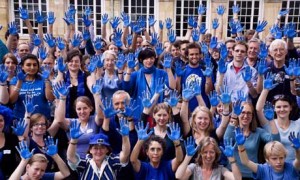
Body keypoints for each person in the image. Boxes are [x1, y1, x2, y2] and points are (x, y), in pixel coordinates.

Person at [123, 47, 176, 119]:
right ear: (141, 60)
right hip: (140, 113)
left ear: (155, 58)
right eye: (146, 59)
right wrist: (129, 70)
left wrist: (169, 70)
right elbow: (126, 89)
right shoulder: (135, 75)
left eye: (151, 58)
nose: (149, 61)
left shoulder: (161, 73)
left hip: (158, 114)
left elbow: (172, 87)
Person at [256, 79, 300, 163]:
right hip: (273, 169)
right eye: (278, 107)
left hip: (294, 168)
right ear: (274, 109)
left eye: (285, 106)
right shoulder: (269, 123)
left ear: (290, 108)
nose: (282, 109)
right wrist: (265, 89)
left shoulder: (298, 124)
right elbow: (258, 109)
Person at [9, 53, 54, 119]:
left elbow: (50, 98)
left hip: (41, 120)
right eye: (28, 65)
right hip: (21, 119)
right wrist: (19, 82)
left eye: (35, 65)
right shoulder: (15, 80)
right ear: (22, 67)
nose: (32, 67)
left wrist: (47, 80)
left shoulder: (43, 79)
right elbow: (12, 100)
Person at [176, 137, 242, 180]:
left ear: (216, 153)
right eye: (205, 152)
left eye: (212, 152)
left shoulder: (221, 170)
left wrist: (232, 159)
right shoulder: (193, 167)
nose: (208, 156)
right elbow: (178, 176)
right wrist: (188, 157)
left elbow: (238, 179)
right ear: (200, 153)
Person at [55, 49, 94, 118]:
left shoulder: (87, 75)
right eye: (71, 61)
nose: (73, 63)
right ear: (67, 63)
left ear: (80, 63)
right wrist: (60, 72)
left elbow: (92, 86)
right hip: (66, 117)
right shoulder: (62, 77)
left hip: (85, 115)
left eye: (76, 61)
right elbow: (57, 87)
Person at [0, 105, 24, 179]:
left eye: (1, 120)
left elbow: (23, 157)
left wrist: (21, 139)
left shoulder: (12, 138)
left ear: (5, 121)